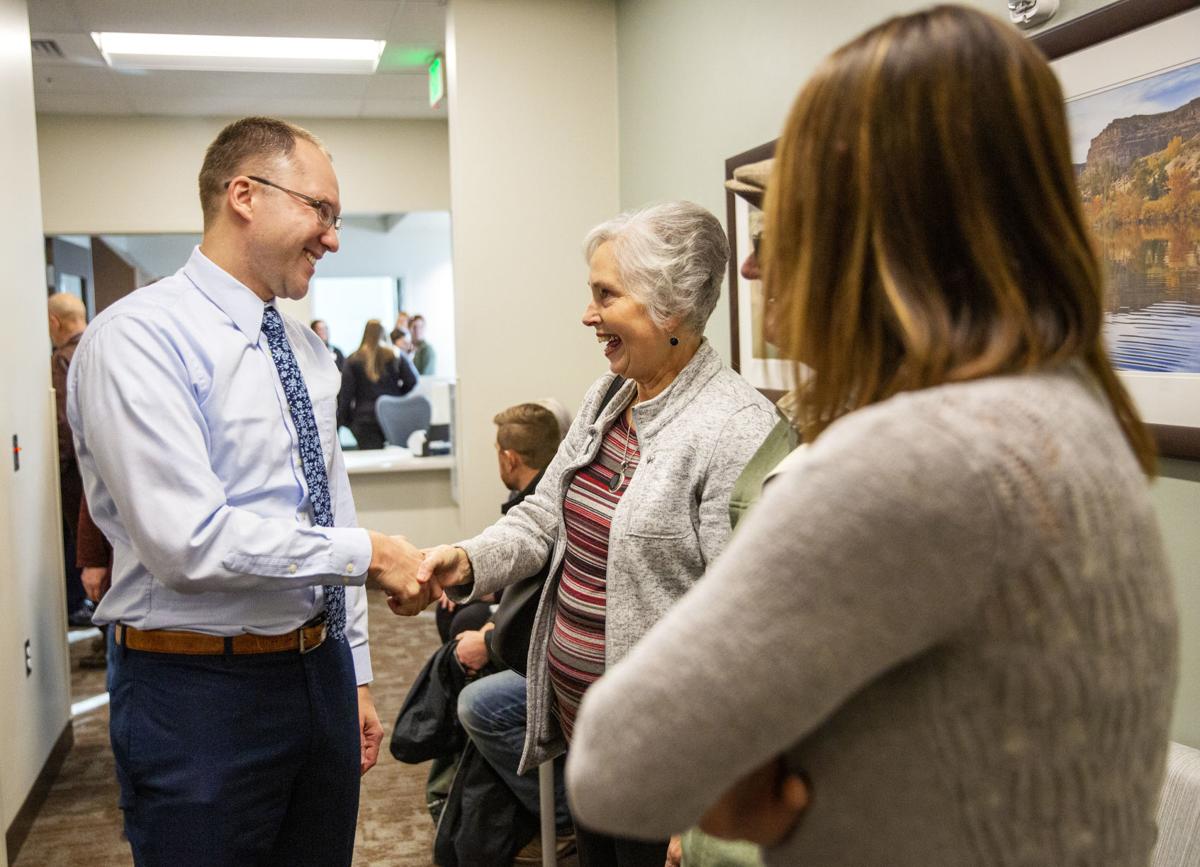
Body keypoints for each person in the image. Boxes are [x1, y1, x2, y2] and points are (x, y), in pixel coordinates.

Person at [564, 8, 1179, 866]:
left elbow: (613, 768)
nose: (751, 265)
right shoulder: (1070, 415)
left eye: (782, 222)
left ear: (870, 225)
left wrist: (766, 793)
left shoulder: (921, 458)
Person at [66, 116, 436, 867]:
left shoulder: (304, 348)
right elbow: (187, 542)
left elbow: (328, 507)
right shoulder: (139, 338)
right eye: (321, 210)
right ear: (244, 194)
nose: (333, 236)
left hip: (315, 671)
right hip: (195, 690)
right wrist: (368, 555)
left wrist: (356, 674)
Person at [415, 201, 776, 867]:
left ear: (667, 307)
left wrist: (705, 805)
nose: (588, 315)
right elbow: (542, 514)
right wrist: (465, 561)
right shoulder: (609, 396)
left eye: (605, 295)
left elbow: (741, 634)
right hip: (588, 737)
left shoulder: (733, 428)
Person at [48, 292, 93, 627]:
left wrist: (57, 467)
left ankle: (82, 607)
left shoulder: (64, 360)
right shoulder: (104, 345)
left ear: (53, 322)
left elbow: (63, 422)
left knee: (84, 552)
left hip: (78, 479)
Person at [337, 319, 419, 449]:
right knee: (397, 459)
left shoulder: (353, 359)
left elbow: (346, 394)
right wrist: (397, 396)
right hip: (393, 415)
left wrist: (344, 421)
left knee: (371, 462)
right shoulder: (396, 355)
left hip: (365, 419)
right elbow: (412, 380)